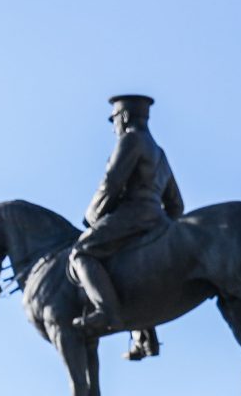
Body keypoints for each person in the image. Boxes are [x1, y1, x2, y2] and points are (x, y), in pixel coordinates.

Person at [67, 92, 184, 334]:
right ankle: (144, 335)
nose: (113, 128)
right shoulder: (158, 151)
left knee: (80, 253)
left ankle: (105, 311)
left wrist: (92, 216)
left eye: (114, 119)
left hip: (133, 215)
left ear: (126, 116)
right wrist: (166, 226)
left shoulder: (130, 141)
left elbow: (111, 183)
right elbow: (176, 204)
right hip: (156, 219)